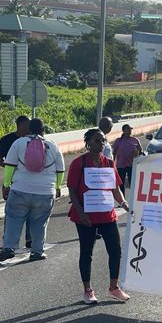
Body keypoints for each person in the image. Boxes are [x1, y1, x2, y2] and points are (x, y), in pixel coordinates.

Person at [67, 128, 130, 304]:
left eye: (103, 140)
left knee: (115, 250)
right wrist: (80, 212)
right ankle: (88, 290)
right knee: (87, 252)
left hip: (106, 214)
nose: (101, 143)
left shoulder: (109, 163)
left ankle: (114, 287)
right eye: (96, 140)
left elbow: (115, 187)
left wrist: (123, 203)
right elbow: (72, 189)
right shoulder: (79, 163)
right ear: (88, 143)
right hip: (85, 216)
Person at [0, 118, 65, 262]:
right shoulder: (53, 145)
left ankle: (9, 248)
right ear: (43, 130)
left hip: (20, 188)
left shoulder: (18, 143)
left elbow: (10, 166)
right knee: (40, 222)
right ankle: (37, 252)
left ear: (29, 130)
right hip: (45, 191)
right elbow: (60, 170)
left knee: (14, 218)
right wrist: (57, 186)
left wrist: (7, 184)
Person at [0, 115, 32, 249]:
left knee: (31, 210)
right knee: (11, 211)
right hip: (12, 178)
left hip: (29, 179)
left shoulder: (32, 140)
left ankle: (30, 240)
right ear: (21, 124)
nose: (30, 126)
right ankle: (8, 242)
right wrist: (10, 167)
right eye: (28, 123)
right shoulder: (7, 140)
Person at [113, 124, 142, 195]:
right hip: (120, 165)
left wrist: (136, 156)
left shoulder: (135, 140)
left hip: (132, 165)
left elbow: (140, 150)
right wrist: (113, 164)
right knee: (121, 183)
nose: (130, 131)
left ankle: (132, 199)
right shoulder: (118, 141)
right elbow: (114, 152)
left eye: (130, 129)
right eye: (128, 129)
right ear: (123, 131)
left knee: (132, 183)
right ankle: (122, 200)